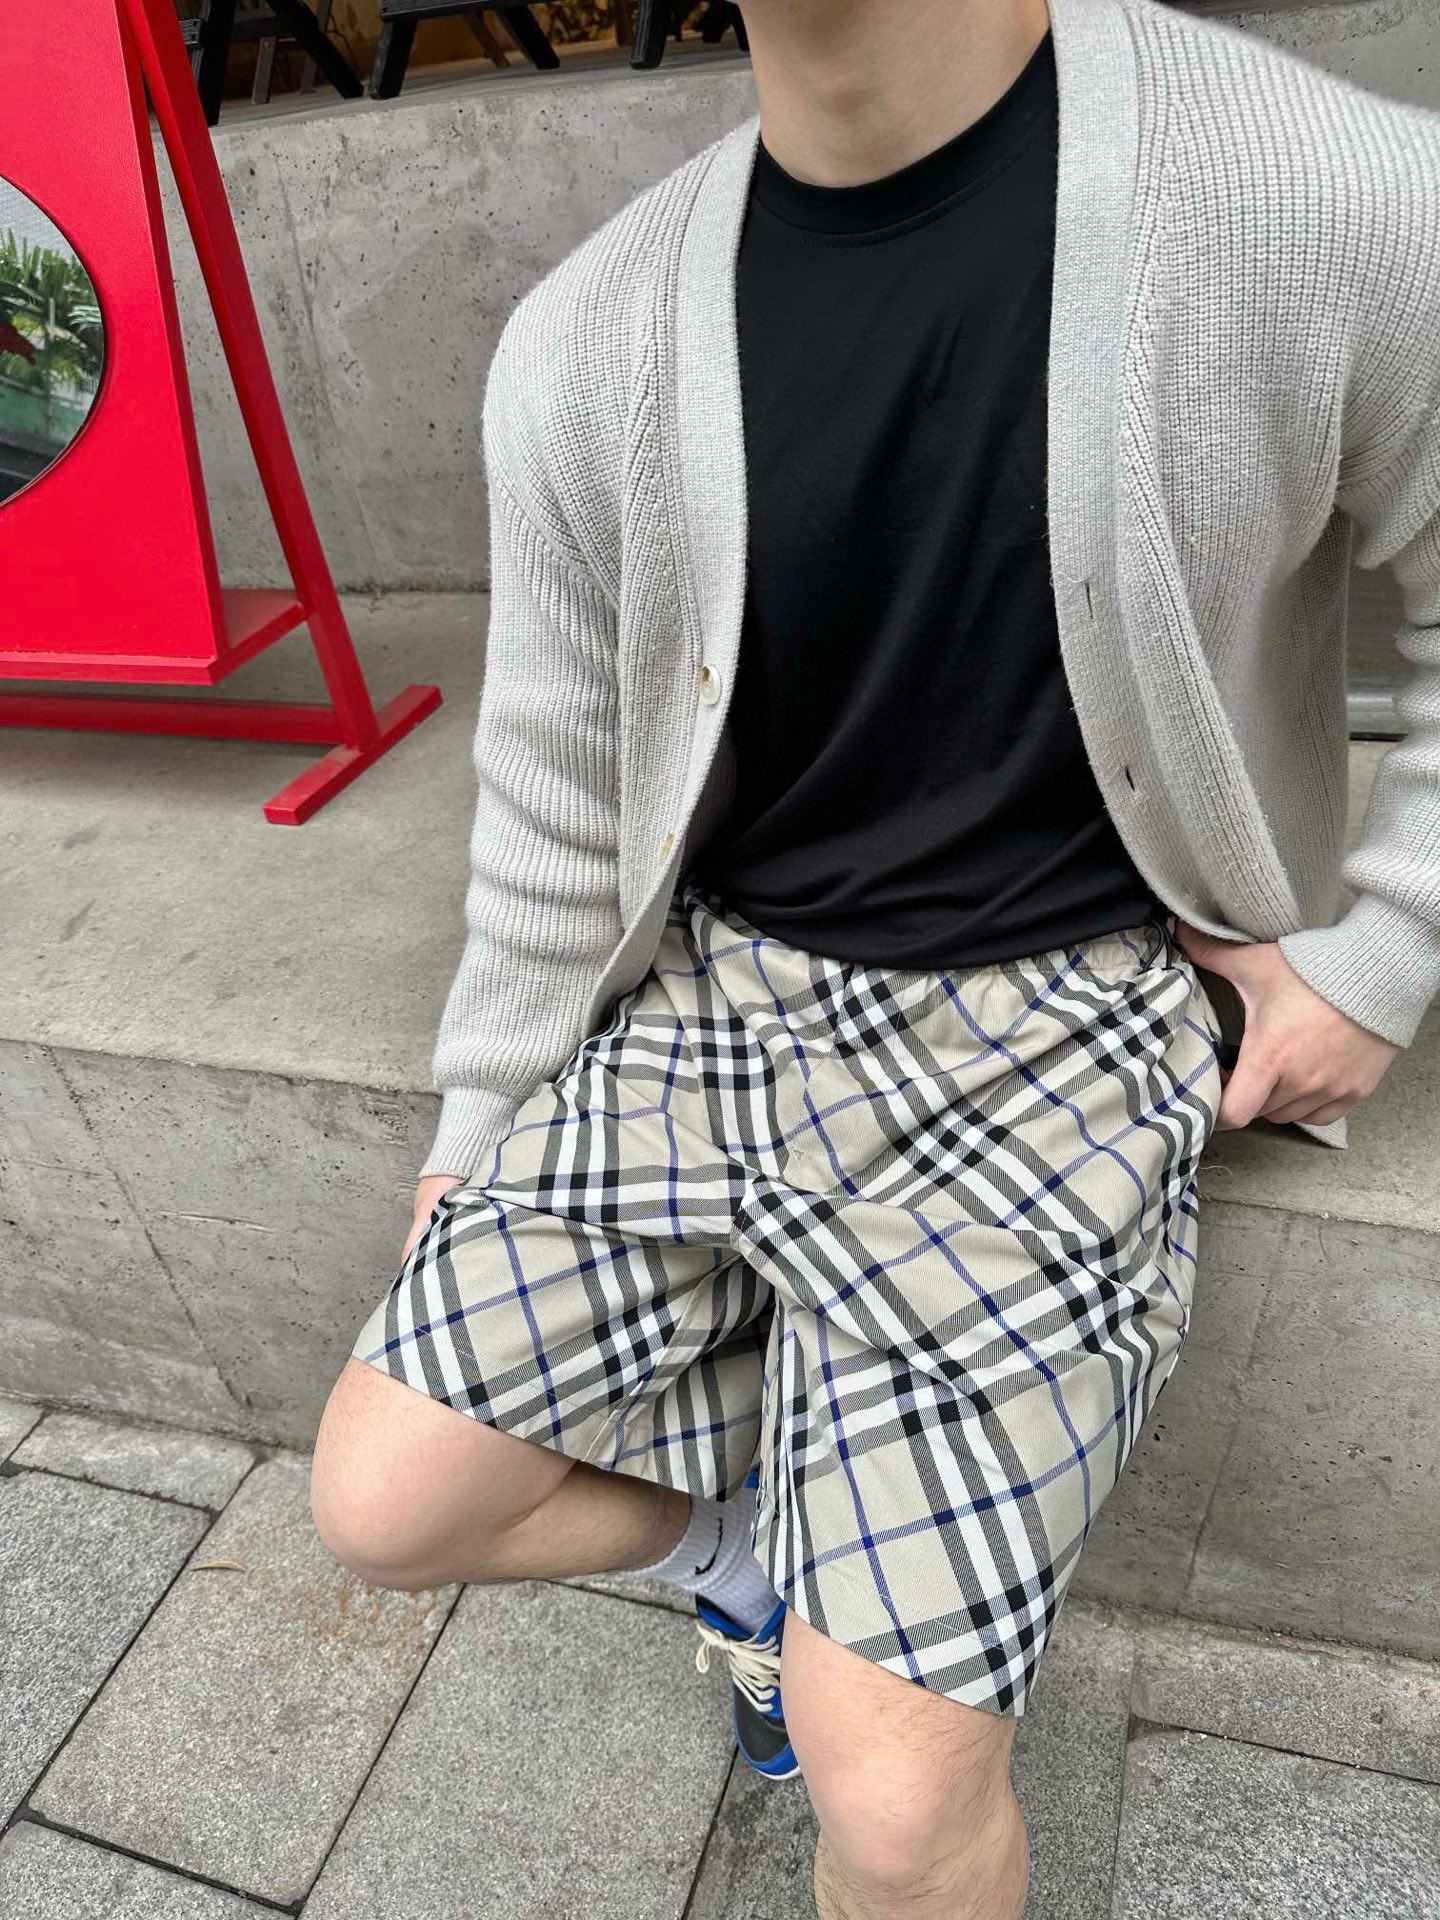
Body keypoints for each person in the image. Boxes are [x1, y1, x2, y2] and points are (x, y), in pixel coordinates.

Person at [311, 0, 1440, 1911]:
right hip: (722, 1004)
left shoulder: (1323, 192)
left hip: (1069, 1024)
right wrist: (482, 1114)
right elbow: (555, 785)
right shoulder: (589, 335)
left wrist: (1381, 952)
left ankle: (847, 1572)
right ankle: (773, 1545)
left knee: (895, 1797)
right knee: (380, 1500)